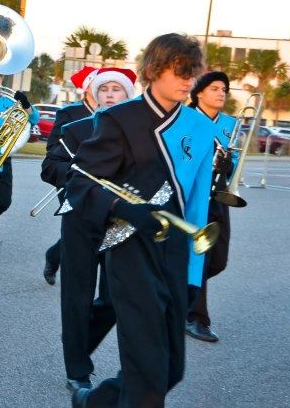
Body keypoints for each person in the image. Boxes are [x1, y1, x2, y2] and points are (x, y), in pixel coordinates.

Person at [69, 34, 215, 408]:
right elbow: (81, 184)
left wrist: (193, 276)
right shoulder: (119, 119)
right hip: (130, 250)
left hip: (176, 252)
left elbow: (197, 203)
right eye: (179, 71)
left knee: (170, 370)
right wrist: (123, 206)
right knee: (147, 371)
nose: (188, 81)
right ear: (153, 69)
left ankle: (95, 402)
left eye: (192, 73)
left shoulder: (200, 128)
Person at [42, 67, 135, 392]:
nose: (110, 93)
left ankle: (79, 345)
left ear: (128, 96)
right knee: (76, 298)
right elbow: (50, 167)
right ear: (94, 94)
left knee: (112, 300)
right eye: (104, 88)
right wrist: (76, 176)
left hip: (121, 223)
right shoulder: (77, 128)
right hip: (80, 219)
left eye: (117, 89)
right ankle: (77, 368)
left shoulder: (138, 133)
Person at [186, 70, 238, 343]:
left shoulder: (231, 123)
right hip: (194, 197)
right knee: (201, 257)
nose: (221, 93)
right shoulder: (186, 119)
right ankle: (196, 317)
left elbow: (235, 164)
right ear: (199, 93)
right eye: (215, 88)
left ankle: (183, 293)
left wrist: (228, 169)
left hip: (219, 196)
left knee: (218, 260)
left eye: (224, 89)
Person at [42, 66, 99, 285]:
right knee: (77, 225)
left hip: (98, 179)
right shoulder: (70, 113)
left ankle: (54, 255)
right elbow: (54, 147)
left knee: (89, 227)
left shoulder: (111, 113)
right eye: (98, 83)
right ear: (86, 88)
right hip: (70, 177)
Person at [0, 68, 39, 224]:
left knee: (2, 201)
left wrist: (26, 105)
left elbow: (34, 119)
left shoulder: (9, 101)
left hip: (2, 157)